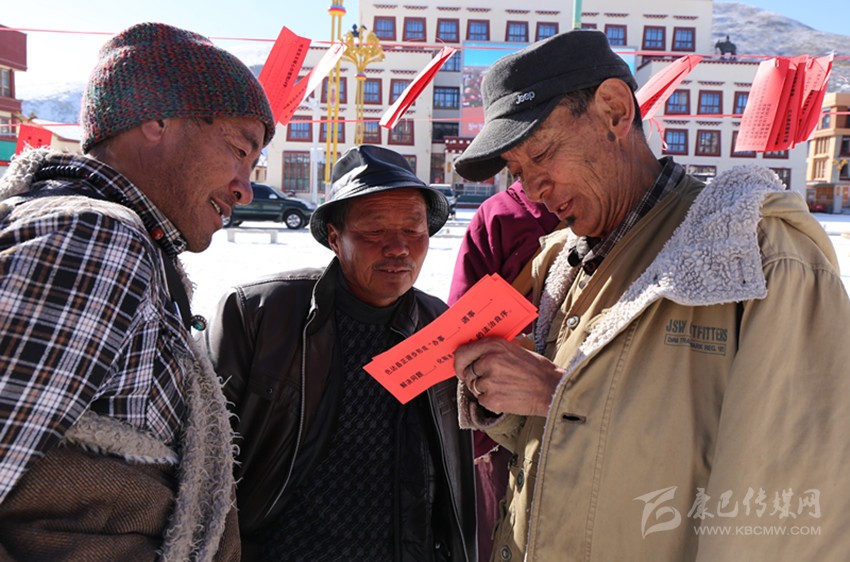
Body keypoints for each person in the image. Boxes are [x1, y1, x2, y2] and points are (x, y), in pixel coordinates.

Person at [450, 29, 850, 561]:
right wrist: (510, 400)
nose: (533, 191)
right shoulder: (560, 263)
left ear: (615, 110)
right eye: (518, 173)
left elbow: (790, 499)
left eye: (541, 153)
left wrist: (557, 395)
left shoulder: (758, 254)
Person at [0, 22, 274, 561]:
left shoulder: (107, 238)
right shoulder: (94, 237)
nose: (246, 187)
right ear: (155, 120)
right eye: (240, 149)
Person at [205, 145, 477, 561]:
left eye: (413, 230)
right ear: (335, 238)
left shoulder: (440, 324)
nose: (399, 248)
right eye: (374, 231)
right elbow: (203, 458)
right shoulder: (259, 315)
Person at [447, 180, 559, 562]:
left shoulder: (499, 215)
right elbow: (464, 330)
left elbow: (462, 328)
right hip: (505, 423)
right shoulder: (500, 216)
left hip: (521, 419)